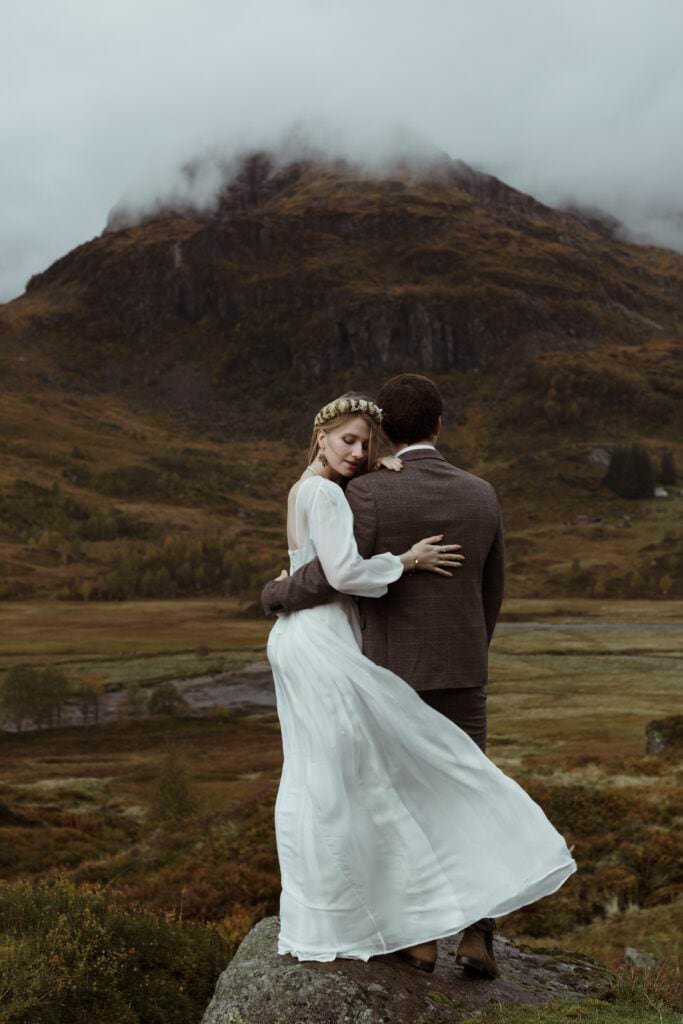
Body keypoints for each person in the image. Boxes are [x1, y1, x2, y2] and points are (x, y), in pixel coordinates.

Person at [263, 386, 576, 975]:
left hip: (384, 669)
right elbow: (493, 588)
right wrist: (468, 652)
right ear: (438, 421)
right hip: (460, 668)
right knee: (468, 788)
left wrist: (275, 592)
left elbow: (326, 577)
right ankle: (477, 935)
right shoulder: (481, 495)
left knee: (395, 800)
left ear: (385, 433)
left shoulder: (363, 493)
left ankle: (418, 931)